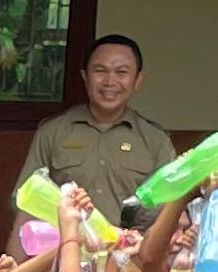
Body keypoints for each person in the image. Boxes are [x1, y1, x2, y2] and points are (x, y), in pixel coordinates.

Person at [23, 35, 184, 232]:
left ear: (137, 80)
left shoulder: (155, 140)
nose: (110, 81)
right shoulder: (53, 131)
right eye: (100, 71)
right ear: (85, 76)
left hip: (129, 254)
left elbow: (166, 215)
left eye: (121, 72)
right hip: (65, 252)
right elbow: (26, 204)